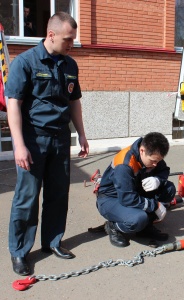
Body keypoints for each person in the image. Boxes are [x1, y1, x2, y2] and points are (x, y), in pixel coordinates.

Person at [5, 12, 89, 276]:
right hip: (33, 139)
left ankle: (52, 242)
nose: (71, 44)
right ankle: (19, 251)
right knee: (27, 198)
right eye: (67, 39)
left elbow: (74, 101)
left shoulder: (70, 65)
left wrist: (82, 135)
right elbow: (13, 104)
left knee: (57, 194)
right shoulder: (26, 63)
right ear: (50, 35)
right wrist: (19, 145)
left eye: (73, 40)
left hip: (60, 138)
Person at [96, 132, 176, 247]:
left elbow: (164, 170)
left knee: (169, 189)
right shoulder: (124, 164)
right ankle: (114, 227)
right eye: (153, 161)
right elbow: (128, 199)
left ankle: (145, 227)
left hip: (134, 192)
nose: (155, 164)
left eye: (158, 161)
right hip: (111, 198)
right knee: (137, 218)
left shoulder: (153, 153)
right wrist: (155, 205)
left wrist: (158, 179)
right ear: (142, 150)